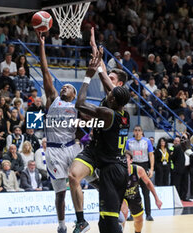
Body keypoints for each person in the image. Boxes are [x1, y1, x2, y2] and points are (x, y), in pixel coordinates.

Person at [69, 29, 128, 233]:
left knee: (109, 222)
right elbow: (102, 71)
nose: (107, 76)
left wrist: (90, 73)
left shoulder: (112, 107)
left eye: (112, 77)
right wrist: (95, 50)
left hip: (111, 161)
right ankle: (81, 221)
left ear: (118, 85)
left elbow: (100, 78)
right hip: (96, 150)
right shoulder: (113, 102)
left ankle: (113, 200)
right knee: (74, 175)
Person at [36, 30, 82, 233]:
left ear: (74, 94)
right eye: (63, 86)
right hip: (54, 151)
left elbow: (85, 130)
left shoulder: (79, 107)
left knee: (93, 179)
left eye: (69, 87)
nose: (65, 87)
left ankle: (110, 208)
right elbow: (46, 71)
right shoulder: (52, 99)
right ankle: (62, 225)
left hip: (73, 149)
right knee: (60, 193)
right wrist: (42, 45)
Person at [124, 151, 162, 233]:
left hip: (134, 196)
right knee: (123, 213)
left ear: (131, 160)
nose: (124, 160)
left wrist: (157, 199)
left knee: (139, 220)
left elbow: (148, 183)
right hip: (121, 196)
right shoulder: (118, 170)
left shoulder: (138, 170)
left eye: (126, 158)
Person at [125, 125, 155, 221]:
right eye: (136, 130)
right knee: (132, 192)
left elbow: (151, 155)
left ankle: (148, 214)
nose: (137, 132)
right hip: (133, 166)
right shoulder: (129, 142)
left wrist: (151, 168)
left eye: (139, 130)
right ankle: (132, 214)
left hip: (144, 166)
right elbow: (125, 155)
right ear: (133, 132)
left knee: (146, 192)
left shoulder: (147, 141)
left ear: (142, 132)